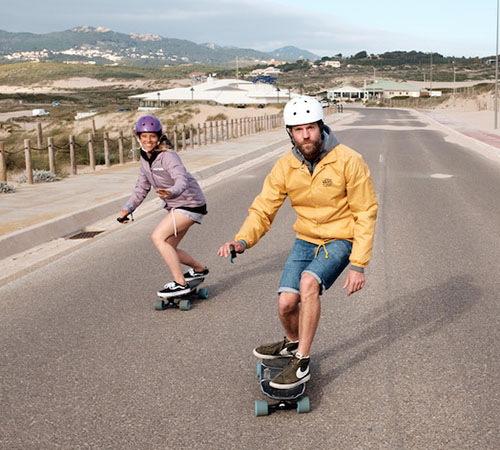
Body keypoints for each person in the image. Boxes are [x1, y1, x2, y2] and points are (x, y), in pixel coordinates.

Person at [217, 96, 378, 389]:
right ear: (289, 133)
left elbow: (365, 212)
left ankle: (302, 360)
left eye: (311, 128)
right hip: (306, 239)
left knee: (308, 283)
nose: (305, 135)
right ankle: (293, 344)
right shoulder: (285, 166)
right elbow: (264, 208)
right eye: (298, 129)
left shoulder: (348, 160)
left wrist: (358, 264)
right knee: (286, 303)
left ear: (321, 127)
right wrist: (242, 240)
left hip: (341, 237)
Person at [118, 115, 209, 297]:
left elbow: (181, 179)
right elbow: (141, 187)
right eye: (144, 136)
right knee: (168, 245)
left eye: (152, 136)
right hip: (177, 206)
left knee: (157, 237)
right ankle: (199, 269)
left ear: (159, 136)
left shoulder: (168, 156)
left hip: (189, 203)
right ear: (138, 137)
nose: (148, 140)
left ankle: (180, 283)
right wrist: (128, 208)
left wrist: (172, 192)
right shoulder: (145, 159)